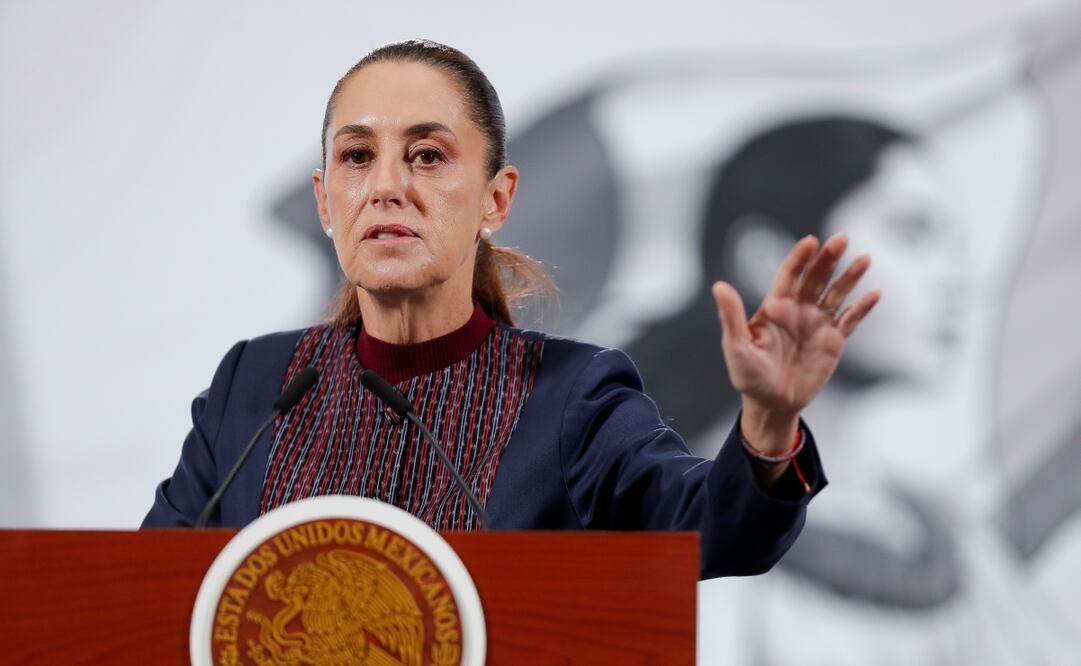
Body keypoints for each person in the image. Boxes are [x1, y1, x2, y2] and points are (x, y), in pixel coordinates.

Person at [141, 40, 879, 579]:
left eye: (427, 156)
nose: (386, 186)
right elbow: (144, 594)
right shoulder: (255, 386)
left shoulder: (568, 396)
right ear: (324, 200)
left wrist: (769, 426)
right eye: (356, 156)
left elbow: (713, 531)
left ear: (496, 200)